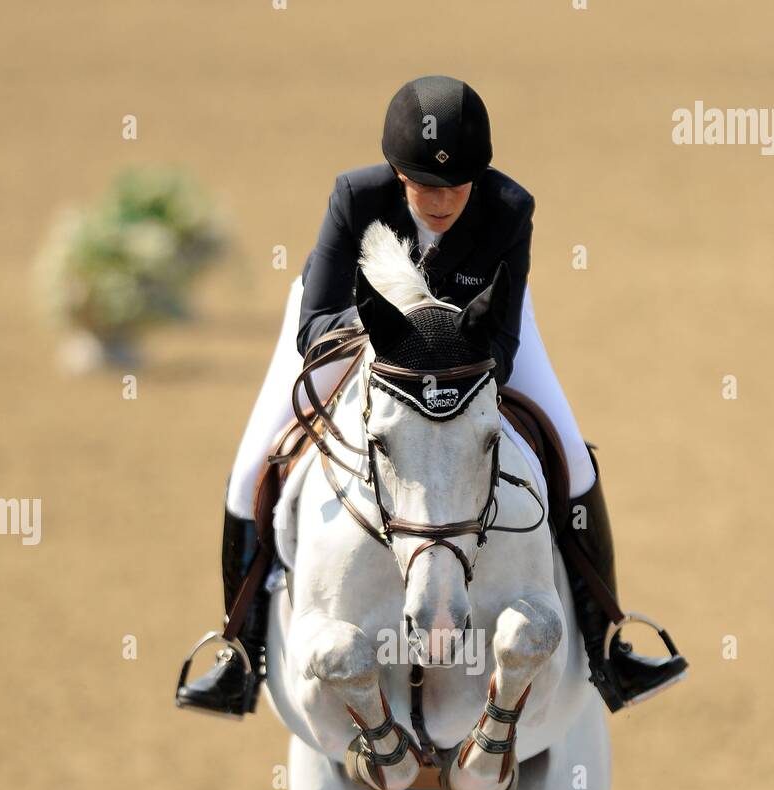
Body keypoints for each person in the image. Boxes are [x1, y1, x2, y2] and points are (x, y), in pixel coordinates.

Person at [176, 74, 687, 717]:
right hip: (355, 334)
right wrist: (398, 331)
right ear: (397, 173)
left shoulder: (509, 208)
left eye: (458, 184)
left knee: (573, 461)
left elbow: (501, 337)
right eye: (425, 184)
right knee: (253, 466)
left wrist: (453, 355)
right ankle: (240, 655)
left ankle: (609, 641)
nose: (443, 200)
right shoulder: (355, 197)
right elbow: (314, 329)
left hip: (474, 341)